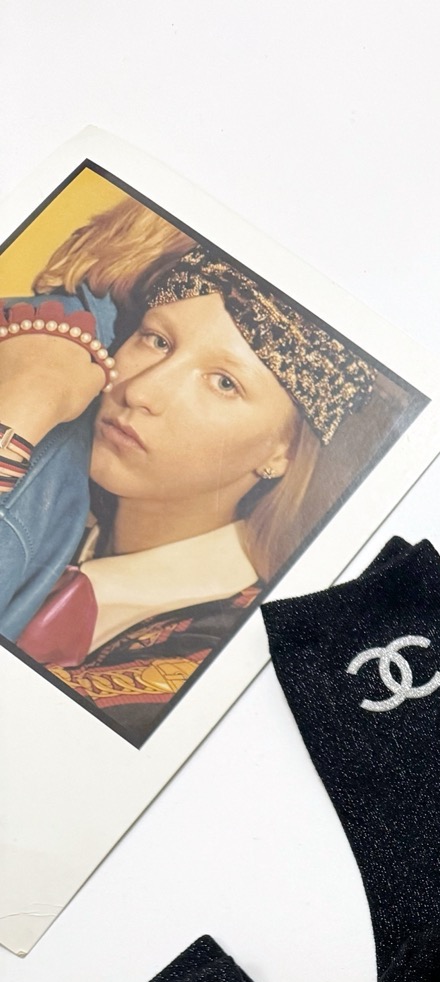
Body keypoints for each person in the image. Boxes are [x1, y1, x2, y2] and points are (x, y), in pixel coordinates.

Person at [0, 204, 383, 744]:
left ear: (282, 454)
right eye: (157, 340)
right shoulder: (55, 499)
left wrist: (15, 422)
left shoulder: (220, 649)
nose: (141, 391)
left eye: (224, 383)